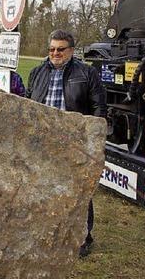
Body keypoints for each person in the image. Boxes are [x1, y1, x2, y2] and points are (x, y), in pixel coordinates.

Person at [26, 29, 106, 258]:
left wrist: (94, 142)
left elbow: (99, 108)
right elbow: (31, 103)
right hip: (44, 142)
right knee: (44, 189)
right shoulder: (37, 72)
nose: (55, 53)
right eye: (51, 49)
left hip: (75, 142)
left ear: (71, 50)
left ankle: (82, 238)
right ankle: (47, 233)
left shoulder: (87, 73)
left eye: (60, 49)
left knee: (79, 193)